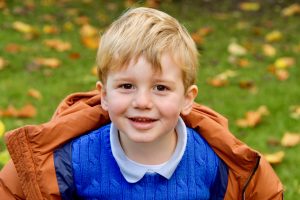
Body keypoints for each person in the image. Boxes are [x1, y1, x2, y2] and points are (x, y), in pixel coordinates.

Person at [0, 7, 283, 200]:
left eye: (160, 87)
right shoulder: (72, 159)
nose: (142, 102)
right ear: (104, 96)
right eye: (126, 86)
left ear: (187, 99)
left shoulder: (213, 162)